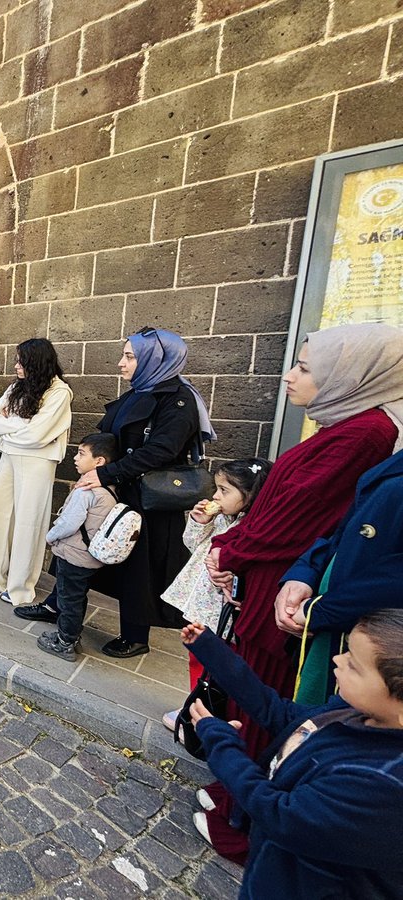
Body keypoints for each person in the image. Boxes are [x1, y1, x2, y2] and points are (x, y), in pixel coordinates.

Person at [199, 323, 403, 859]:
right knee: (254, 682)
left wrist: (232, 550)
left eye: (306, 367)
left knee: (267, 692)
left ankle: (244, 814)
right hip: (282, 575)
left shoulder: (366, 433)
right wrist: (234, 549)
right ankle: (235, 791)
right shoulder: (345, 423)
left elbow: (300, 516)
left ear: (351, 376)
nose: (290, 375)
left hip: (289, 584)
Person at [182, 610, 403, 899]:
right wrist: (214, 652)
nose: (338, 660)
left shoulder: (381, 784)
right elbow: (279, 713)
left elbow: (278, 813)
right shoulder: (354, 713)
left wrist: (222, 744)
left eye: (354, 665)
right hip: (275, 873)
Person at [63, 327, 214, 660]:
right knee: (84, 547)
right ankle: (59, 606)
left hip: (148, 501)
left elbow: (161, 451)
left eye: (129, 356)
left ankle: (135, 636)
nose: (121, 363)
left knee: (139, 569)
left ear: (155, 359)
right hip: (121, 490)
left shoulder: (178, 400)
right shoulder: (140, 391)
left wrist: (105, 473)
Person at [276, 446, 403, 704]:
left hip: (366, 645)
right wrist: (304, 573)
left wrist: (320, 610)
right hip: (331, 628)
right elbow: (344, 533)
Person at [0, 338, 72, 604]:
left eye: (21, 361)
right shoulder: (16, 387)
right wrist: (22, 425)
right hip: (11, 455)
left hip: (38, 461)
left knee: (28, 521)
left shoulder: (59, 392)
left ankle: (20, 586)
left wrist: (13, 424)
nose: (16, 366)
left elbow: (38, 434)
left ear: (36, 363)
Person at [162, 459, 272, 699]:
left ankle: (207, 706)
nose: (215, 496)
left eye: (224, 490)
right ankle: (195, 703)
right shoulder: (222, 519)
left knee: (217, 663)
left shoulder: (254, 529)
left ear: (251, 495)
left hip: (220, 611)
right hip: (201, 605)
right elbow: (193, 545)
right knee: (197, 656)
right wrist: (199, 522)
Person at [35, 433, 119, 662]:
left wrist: (50, 537)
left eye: (81, 454)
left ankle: (64, 642)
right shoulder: (110, 489)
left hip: (74, 553)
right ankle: (72, 637)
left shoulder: (86, 490)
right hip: (88, 557)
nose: (75, 458)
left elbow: (69, 523)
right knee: (77, 597)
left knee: (68, 599)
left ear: (99, 461)